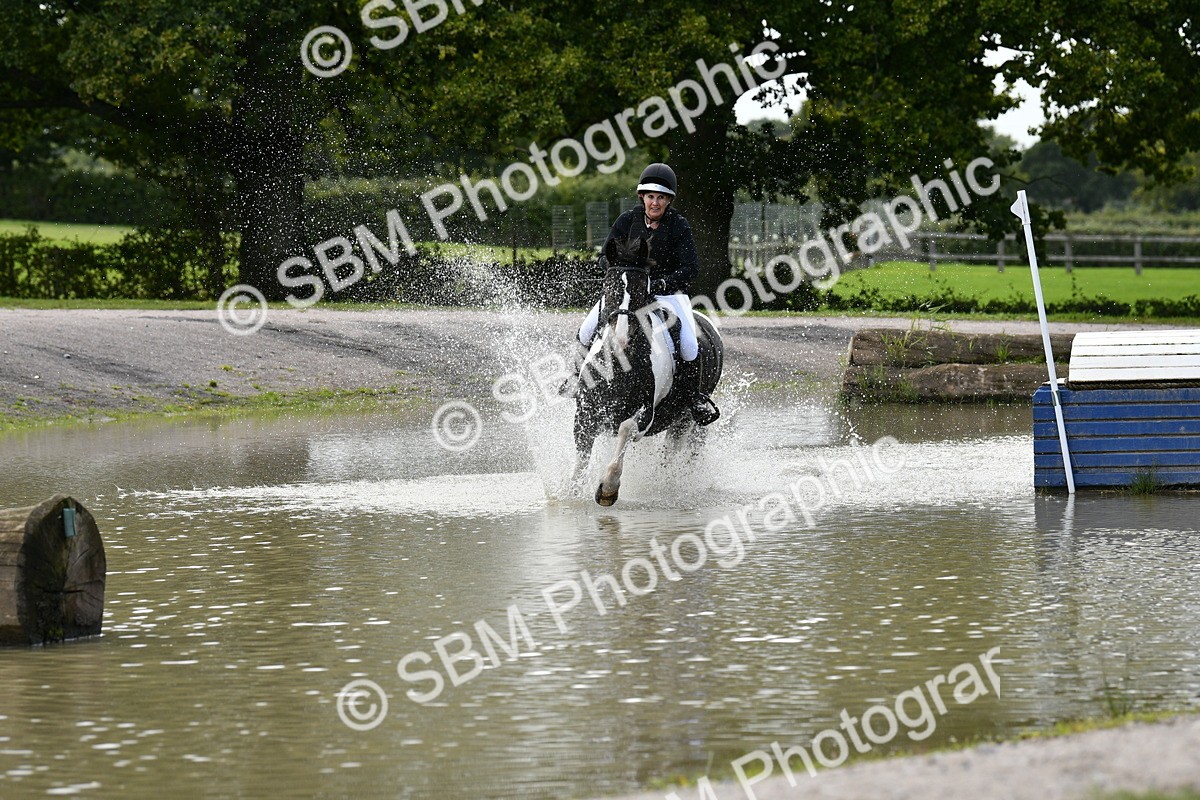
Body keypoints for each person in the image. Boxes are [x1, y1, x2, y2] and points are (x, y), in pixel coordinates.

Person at [565, 162, 719, 426]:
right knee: (586, 330)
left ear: (668, 200)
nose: (655, 203)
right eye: (650, 197)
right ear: (642, 197)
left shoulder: (679, 225)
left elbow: (691, 268)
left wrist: (660, 284)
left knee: (689, 344)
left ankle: (694, 398)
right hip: (626, 292)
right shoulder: (627, 221)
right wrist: (617, 273)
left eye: (660, 198)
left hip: (666, 294)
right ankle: (576, 378)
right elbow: (605, 256)